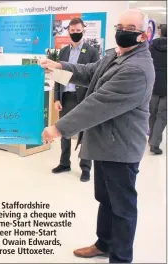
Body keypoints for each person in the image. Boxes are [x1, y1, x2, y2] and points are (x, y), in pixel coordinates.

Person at [40, 9, 154, 263]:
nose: (123, 32)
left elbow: (98, 105)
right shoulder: (116, 54)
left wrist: (58, 128)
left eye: (131, 29)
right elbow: (90, 72)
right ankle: (104, 243)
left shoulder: (137, 69)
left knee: (122, 207)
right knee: (105, 198)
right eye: (120, 26)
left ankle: (121, 257)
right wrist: (58, 66)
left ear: (144, 35)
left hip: (120, 148)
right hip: (106, 143)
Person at [53, 17, 99, 182]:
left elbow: (94, 77)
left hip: (84, 98)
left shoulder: (92, 52)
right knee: (64, 130)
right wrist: (56, 98)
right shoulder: (63, 52)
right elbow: (58, 76)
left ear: (83, 31)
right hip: (66, 97)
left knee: (85, 133)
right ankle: (64, 163)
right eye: (72, 31)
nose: (75, 33)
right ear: (68, 32)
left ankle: (85, 168)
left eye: (78, 31)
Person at [148, 24, 167, 155]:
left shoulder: (151, 46)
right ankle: (155, 144)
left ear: (160, 32)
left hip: (153, 85)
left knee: (152, 113)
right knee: (162, 115)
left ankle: (151, 139)